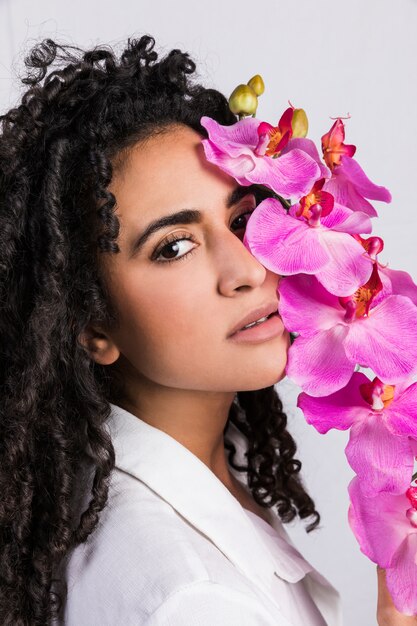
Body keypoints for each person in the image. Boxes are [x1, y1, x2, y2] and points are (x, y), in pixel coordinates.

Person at [0, 34, 408, 626]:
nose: (248, 269)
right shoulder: (190, 598)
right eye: (175, 247)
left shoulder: (202, 465)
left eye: (243, 219)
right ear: (91, 326)